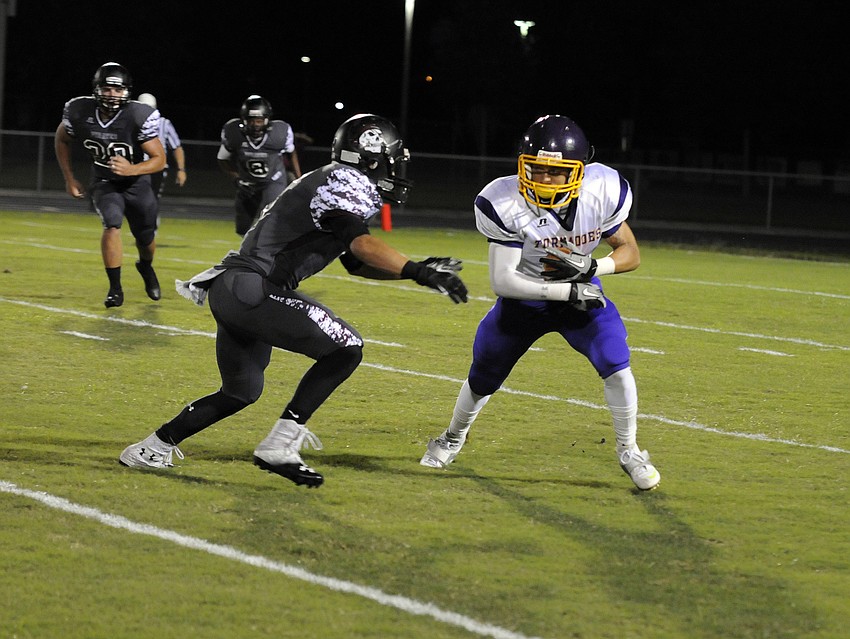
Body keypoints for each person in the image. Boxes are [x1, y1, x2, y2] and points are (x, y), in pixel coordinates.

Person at [119, 114, 469, 488]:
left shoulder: (332, 179)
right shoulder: (345, 180)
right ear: (371, 155)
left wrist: (415, 271)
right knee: (347, 348)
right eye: (392, 157)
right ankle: (280, 445)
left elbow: (356, 264)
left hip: (235, 289)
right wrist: (417, 270)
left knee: (241, 391)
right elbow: (361, 244)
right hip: (254, 287)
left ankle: (152, 446)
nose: (396, 166)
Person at [419, 114, 661, 491]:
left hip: (580, 292)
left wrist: (594, 264)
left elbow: (630, 251)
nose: (543, 179)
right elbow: (503, 281)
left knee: (615, 360)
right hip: (525, 297)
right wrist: (569, 289)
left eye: (554, 171)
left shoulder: (603, 190)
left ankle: (630, 450)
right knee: (484, 374)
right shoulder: (502, 200)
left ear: (578, 170)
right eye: (536, 169)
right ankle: (452, 436)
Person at [54, 62, 166, 308]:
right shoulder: (79, 110)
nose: (112, 95)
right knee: (111, 224)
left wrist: (131, 169)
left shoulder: (138, 115)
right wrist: (69, 177)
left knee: (145, 238)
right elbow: (62, 139)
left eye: (118, 90)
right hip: (104, 180)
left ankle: (145, 267)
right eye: (107, 89)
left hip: (137, 182)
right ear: (97, 89)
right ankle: (115, 289)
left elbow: (159, 160)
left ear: (127, 91)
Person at [217, 95, 302, 235]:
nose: (256, 124)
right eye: (251, 121)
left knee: (270, 219)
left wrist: (299, 178)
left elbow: (291, 153)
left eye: (259, 120)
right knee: (242, 228)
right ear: (244, 120)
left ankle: (267, 252)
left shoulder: (280, 132)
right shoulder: (233, 132)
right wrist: (236, 178)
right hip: (247, 183)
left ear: (267, 120)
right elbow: (222, 159)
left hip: (273, 180)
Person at [136, 93, 187, 201]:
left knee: (150, 200)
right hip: (135, 166)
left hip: (156, 168)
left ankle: (151, 217)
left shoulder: (163, 123)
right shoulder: (131, 122)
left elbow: (177, 147)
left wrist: (181, 169)